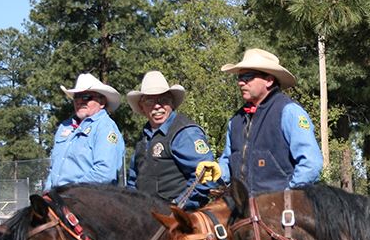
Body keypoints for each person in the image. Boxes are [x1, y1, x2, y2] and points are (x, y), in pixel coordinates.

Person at [196, 48, 323, 194]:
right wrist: (219, 171)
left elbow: (311, 164)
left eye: (248, 77)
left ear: (269, 80)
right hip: (243, 209)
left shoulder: (289, 112)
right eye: (239, 78)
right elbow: (228, 163)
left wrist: (287, 196)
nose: (241, 83)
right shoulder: (236, 121)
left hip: (281, 211)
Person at [125, 70, 216, 208]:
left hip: (179, 220)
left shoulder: (184, 133)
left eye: (163, 100)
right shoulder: (143, 137)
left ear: (172, 103)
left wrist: (177, 206)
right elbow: (133, 180)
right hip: (146, 218)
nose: (157, 106)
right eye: (150, 100)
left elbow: (206, 176)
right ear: (142, 107)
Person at [45, 73, 125, 190]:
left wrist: (70, 192)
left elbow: (104, 172)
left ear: (102, 102)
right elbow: (53, 169)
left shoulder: (105, 127)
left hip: (88, 200)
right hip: (59, 199)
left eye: (86, 97)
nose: (80, 101)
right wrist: (47, 193)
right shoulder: (64, 127)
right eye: (76, 97)